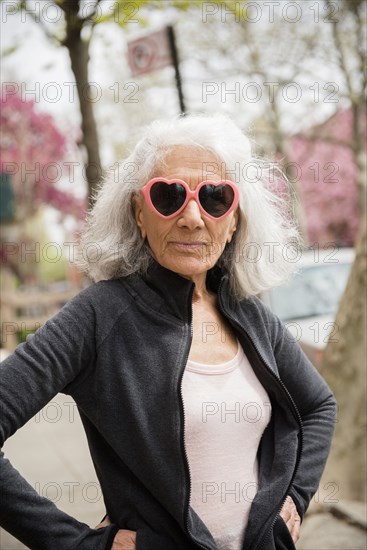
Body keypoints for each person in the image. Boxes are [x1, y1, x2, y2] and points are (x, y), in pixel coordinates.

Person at [0, 114, 336, 550]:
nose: (193, 217)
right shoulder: (100, 315)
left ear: (234, 220)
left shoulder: (251, 317)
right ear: (139, 213)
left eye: (215, 198)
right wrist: (77, 543)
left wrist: (296, 496)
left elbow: (319, 406)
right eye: (169, 196)